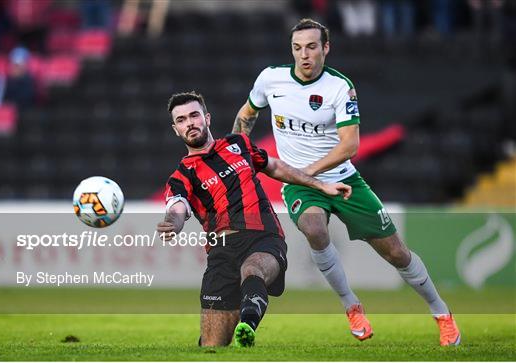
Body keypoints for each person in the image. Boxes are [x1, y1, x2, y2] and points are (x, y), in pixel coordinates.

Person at [232, 18, 461, 346]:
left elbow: (349, 146)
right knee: (313, 228)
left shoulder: (340, 87)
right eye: (297, 48)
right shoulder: (271, 79)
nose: (304, 55)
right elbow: (247, 113)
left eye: (311, 47)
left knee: (397, 253)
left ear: (326, 48)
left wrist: (310, 170)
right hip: (300, 183)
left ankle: (442, 313)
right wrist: (237, 150)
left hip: (344, 179)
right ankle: (351, 306)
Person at [157, 91, 352, 348]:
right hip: (221, 254)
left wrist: (320, 185)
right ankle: (232, 329)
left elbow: (275, 167)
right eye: (181, 120)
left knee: (253, 269)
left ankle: (247, 325)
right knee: (212, 346)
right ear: (176, 129)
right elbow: (177, 206)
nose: (189, 123)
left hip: (264, 237)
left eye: (194, 115)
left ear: (207, 118)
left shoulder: (238, 144)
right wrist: (174, 223)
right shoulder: (181, 176)